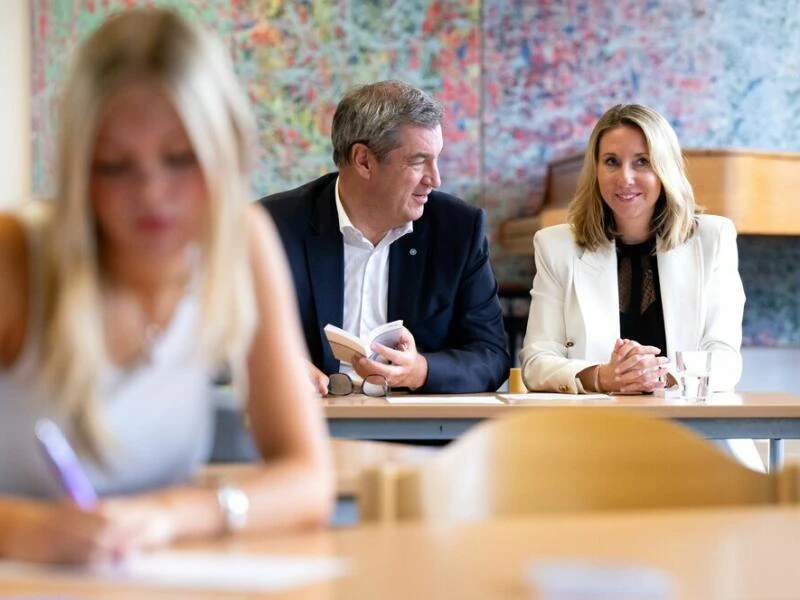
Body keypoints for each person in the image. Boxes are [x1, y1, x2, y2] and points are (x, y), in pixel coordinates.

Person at [0, 8, 333, 565]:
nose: (152, 194)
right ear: (78, 169)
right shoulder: (18, 258)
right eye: (113, 166)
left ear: (224, 150)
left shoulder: (240, 242)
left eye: (180, 159)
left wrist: (167, 515)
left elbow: (308, 478)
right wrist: (23, 531)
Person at [261, 80, 510, 395]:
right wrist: (279, 363)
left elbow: (491, 355)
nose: (435, 178)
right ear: (364, 160)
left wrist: (420, 370)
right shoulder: (272, 227)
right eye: (418, 161)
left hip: (420, 430)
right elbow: (224, 336)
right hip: (312, 424)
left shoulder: (458, 229)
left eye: (437, 159)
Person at [520, 103, 745, 395]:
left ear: (664, 169)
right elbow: (536, 364)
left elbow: (726, 361)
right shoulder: (555, 246)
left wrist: (653, 376)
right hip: (591, 430)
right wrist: (603, 377)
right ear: (596, 170)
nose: (625, 178)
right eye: (611, 162)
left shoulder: (714, 239)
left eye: (642, 162)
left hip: (687, 429)